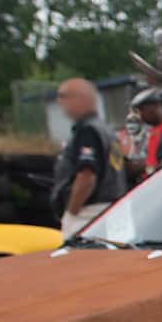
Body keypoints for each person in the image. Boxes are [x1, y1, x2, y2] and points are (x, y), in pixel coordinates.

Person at [51, 78, 127, 239]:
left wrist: (72, 213)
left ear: (80, 98)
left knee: (80, 262)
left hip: (89, 213)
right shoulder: (106, 130)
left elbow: (86, 176)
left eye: (62, 96)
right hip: (113, 209)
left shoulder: (88, 131)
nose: (59, 102)